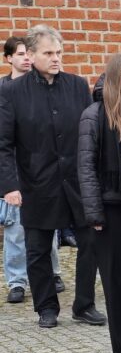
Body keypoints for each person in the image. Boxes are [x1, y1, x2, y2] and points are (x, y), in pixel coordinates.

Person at [0, 25, 104, 328]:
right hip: (36, 181)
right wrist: (9, 186)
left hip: (77, 180)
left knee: (90, 241)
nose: (56, 58)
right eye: (48, 53)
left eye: (59, 52)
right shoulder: (11, 91)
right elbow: (4, 144)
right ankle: (46, 307)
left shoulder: (75, 85)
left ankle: (84, 304)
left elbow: (90, 134)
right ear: (31, 55)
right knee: (37, 247)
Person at [78, 53, 121, 353]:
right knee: (117, 279)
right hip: (109, 207)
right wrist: (94, 213)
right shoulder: (94, 114)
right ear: (114, 79)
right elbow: (86, 167)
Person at [0, 36, 65, 304]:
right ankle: (17, 280)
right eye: (21, 54)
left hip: (44, 173)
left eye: (28, 53)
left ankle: (53, 272)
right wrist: (8, 182)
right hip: (16, 171)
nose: (26, 58)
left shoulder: (46, 88)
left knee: (46, 229)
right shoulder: (6, 91)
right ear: (9, 59)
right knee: (16, 229)